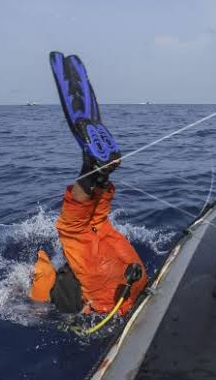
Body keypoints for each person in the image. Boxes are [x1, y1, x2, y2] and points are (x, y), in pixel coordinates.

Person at [29, 52, 148, 316]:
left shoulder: (45, 288)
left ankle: (96, 170)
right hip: (119, 279)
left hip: (123, 284)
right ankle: (96, 172)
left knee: (88, 225)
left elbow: (37, 303)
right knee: (83, 227)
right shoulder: (54, 278)